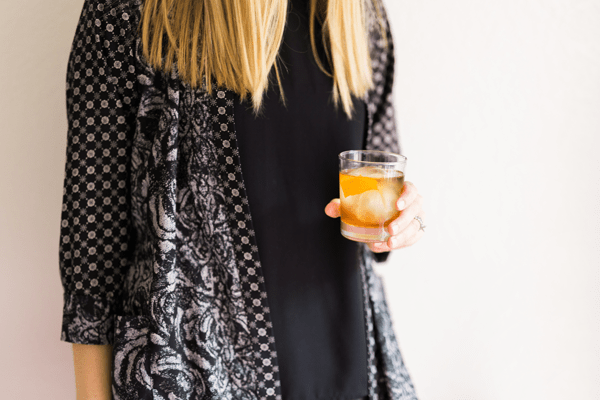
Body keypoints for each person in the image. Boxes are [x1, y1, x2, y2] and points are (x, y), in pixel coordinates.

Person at [58, 0, 425, 399]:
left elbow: (379, 180)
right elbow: (91, 252)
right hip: (195, 378)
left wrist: (406, 220)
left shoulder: (361, 13)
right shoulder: (134, 10)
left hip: (352, 370)